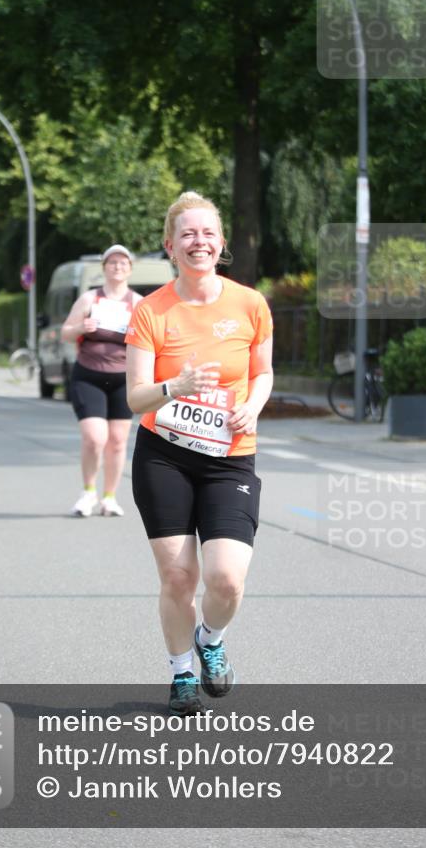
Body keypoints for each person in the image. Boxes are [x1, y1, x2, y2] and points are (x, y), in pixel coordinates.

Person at [125, 192, 274, 716]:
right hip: (164, 456)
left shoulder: (250, 304)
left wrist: (253, 405)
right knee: (178, 577)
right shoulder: (150, 310)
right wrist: (176, 386)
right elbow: (136, 397)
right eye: (187, 234)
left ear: (221, 242)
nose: (199, 242)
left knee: (226, 579)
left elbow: (262, 372)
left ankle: (210, 639)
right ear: (170, 246)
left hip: (229, 457)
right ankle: (181, 674)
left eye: (208, 233)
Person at [61, 245, 143, 517]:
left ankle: (110, 497)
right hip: (89, 375)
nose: (118, 267)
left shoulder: (138, 303)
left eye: (123, 263)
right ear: (104, 268)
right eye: (112, 263)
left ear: (130, 269)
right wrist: (80, 327)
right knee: (95, 438)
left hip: (123, 378)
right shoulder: (89, 299)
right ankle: (88, 492)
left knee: (118, 441)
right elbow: (65, 333)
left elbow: (151, 341)